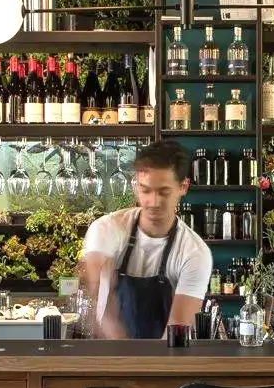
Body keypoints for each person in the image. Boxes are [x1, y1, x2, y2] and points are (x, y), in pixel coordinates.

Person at [78, 139, 212, 339]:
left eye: (164, 192)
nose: (153, 202)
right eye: (145, 190)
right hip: (110, 353)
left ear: (183, 187)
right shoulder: (108, 228)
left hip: (165, 360)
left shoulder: (195, 253)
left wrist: (144, 366)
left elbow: (177, 329)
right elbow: (95, 276)